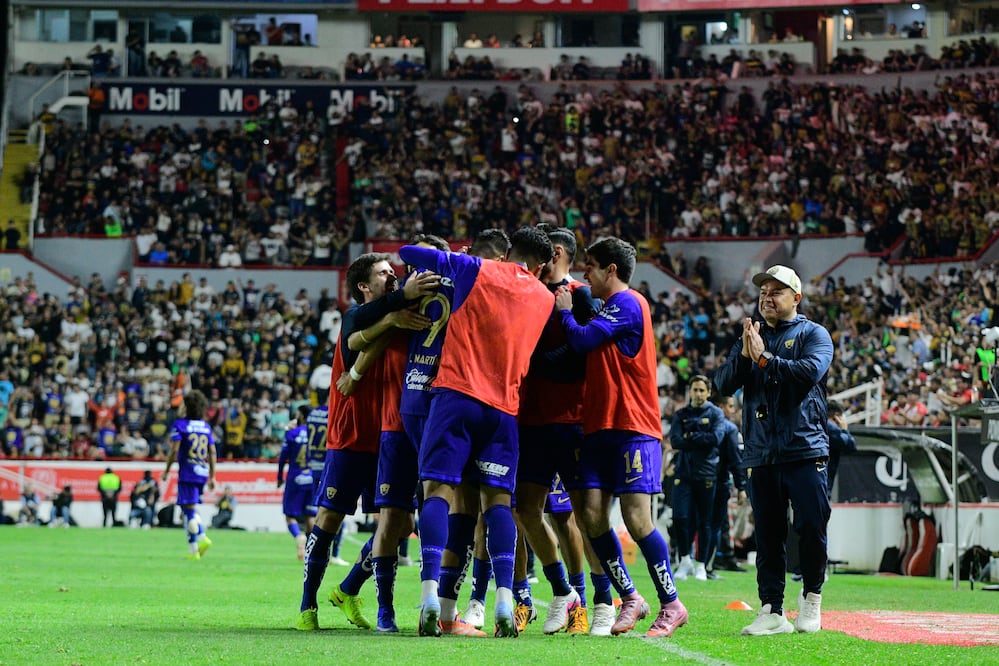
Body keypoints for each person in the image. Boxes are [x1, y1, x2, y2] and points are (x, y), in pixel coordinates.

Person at [398, 226, 555, 638]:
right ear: (540, 265)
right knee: (499, 504)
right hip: (504, 410)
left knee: (438, 493)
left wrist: (458, 260)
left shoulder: (477, 269)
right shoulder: (545, 296)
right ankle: (504, 599)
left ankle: (431, 593)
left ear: (507, 255)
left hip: (456, 397)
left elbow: (407, 251)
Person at [296, 253, 440, 631]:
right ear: (364, 285)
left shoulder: (401, 317)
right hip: (351, 432)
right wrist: (391, 316)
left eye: (393, 270)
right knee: (330, 517)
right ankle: (307, 605)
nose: (391, 275)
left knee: (399, 521)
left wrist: (395, 316)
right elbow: (354, 344)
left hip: (388, 432)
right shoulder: (354, 318)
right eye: (382, 272)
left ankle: (348, 588)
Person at [555, 236, 688, 638]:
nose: (585, 274)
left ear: (611, 270)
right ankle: (630, 596)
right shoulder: (609, 307)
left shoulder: (630, 303)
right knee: (591, 516)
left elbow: (582, 339)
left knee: (636, 517)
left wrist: (565, 312)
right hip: (598, 428)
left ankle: (671, 603)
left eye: (591, 266)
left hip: (633, 426)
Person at [714, 264, 833, 636]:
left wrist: (765, 359)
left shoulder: (815, 334)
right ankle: (772, 609)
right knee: (767, 534)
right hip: (761, 450)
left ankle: (811, 597)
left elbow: (808, 373)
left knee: (811, 526)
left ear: (796, 298)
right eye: (763, 290)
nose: (767, 296)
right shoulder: (750, 337)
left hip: (804, 448)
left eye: (776, 291)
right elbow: (722, 384)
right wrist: (745, 356)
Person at [514, 224, 612, 636]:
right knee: (525, 511)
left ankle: (601, 601)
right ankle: (562, 592)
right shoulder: (527, 292)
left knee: (582, 517)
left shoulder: (580, 296)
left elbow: (579, 354)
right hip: (530, 422)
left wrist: (533, 361)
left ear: (555, 253)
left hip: (571, 421)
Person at [669, 375, 726, 582]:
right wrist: (699, 438)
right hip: (683, 474)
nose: (698, 394)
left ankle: (701, 565)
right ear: (689, 391)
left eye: (702, 390)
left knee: (705, 522)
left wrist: (689, 437)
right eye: (695, 390)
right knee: (680, 518)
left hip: (707, 474)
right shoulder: (680, 414)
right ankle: (685, 560)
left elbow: (716, 439)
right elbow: (675, 441)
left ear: (708, 392)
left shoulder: (716, 414)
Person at [162, 389, 218, 560]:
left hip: (187, 472)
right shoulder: (205, 427)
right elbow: (212, 452)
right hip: (201, 472)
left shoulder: (180, 425)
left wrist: (166, 469)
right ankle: (193, 551)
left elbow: (174, 450)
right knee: (189, 509)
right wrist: (212, 475)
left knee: (189, 512)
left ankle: (202, 537)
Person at [711, 395, 748, 573]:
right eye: (730, 406)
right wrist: (741, 486)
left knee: (708, 522)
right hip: (718, 481)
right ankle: (722, 558)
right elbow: (735, 459)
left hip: (699, 479)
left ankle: (713, 558)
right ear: (721, 406)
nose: (732, 410)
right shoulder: (729, 429)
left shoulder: (703, 423)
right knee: (719, 523)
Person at [278, 406, 314, 560]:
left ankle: (299, 537)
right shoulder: (315, 434)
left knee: (289, 515)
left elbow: (282, 458)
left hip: (295, 477)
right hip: (312, 478)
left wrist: (279, 477)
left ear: (301, 416)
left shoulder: (292, 434)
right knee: (310, 516)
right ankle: (311, 550)